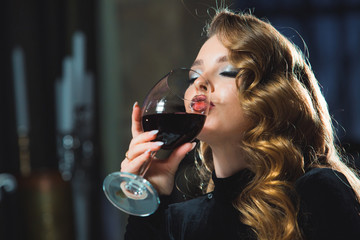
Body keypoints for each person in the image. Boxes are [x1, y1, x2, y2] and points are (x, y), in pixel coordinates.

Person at [120, 8, 360, 240]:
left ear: (270, 94)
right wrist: (149, 198)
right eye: (194, 76)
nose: (200, 84)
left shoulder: (316, 192)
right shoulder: (181, 222)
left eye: (226, 71)